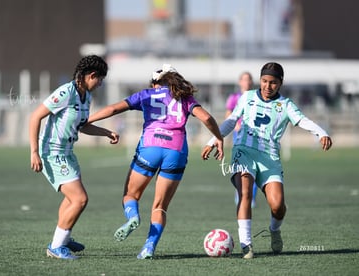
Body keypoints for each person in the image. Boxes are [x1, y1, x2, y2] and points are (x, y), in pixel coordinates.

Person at [88, 64, 224, 259]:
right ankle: (148, 247)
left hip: (150, 147)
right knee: (160, 206)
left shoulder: (146, 94)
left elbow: (112, 108)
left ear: (154, 82)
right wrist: (218, 138)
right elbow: (207, 117)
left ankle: (133, 216)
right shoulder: (185, 98)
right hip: (176, 151)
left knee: (130, 195)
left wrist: (87, 121)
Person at [202, 62, 332, 259]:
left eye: (272, 82)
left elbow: (303, 120)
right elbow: (231, 121)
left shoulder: (286, 105)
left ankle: (274, 230)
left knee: (278, 206)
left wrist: (321, 133)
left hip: (269, 157)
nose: (267, 86)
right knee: (244, 193)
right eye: (264, 81)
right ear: (260, 80)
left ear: (280, 83)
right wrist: (213, 140)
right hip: (243, 151)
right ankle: (246, 244)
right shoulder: (247, 97)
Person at [29, 55, 119, 260]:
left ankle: (64, 238)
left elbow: (83, 125)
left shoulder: (86, 96)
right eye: (100, 79)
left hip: (68, 153)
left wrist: (106, 133)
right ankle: (56, 247)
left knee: (72, 199)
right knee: (80, 199)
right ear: (91, 75)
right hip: (52, 153)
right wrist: (34, 151)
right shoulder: (65, 92)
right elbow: (35, 117)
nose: (101, 84)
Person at [225, 72, 258, 208]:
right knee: (240, 167)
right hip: (239, 136)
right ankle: (240, 194)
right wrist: (236, 125)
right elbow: (228, 114)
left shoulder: (257, 97)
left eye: (249, 79)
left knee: (254, 168)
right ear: (240, 82)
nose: (247, 82)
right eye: (244, 79)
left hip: (255, 137)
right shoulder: (234, 97)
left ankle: (251, 198)